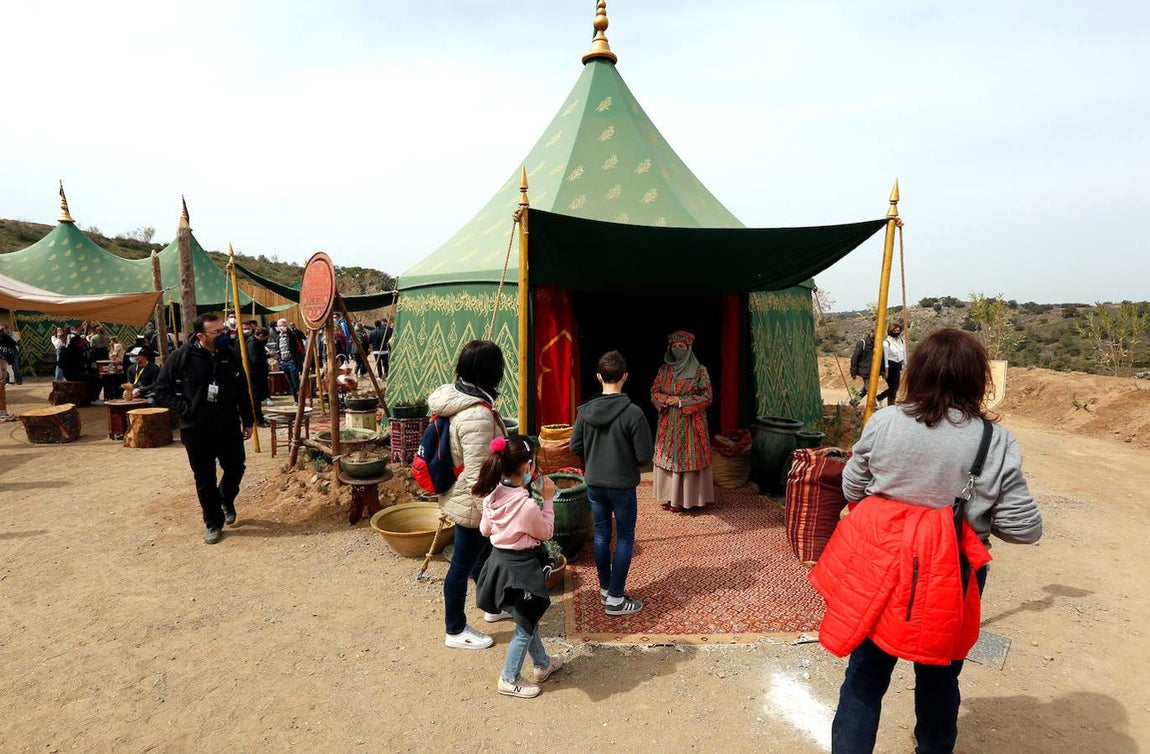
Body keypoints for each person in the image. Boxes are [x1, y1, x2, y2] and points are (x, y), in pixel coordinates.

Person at [811, 328, 1043, 754]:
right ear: (977, 380)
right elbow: (1024, 529)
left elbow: (852, 485)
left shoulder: (884, 422)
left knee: (865, 675)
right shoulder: (996, 442)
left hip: (881, 565)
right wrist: (975, 514)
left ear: (916, 373)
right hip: (952, 574)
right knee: (939, 676)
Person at [426, 339, 509, 650]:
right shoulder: (476, 415)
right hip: (473, 502)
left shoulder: (458, 395)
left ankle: (491, 606)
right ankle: (455, 629)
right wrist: (493, 513)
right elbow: (478, 474)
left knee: (479, 558)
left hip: (464, 495)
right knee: (462, 565)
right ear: (491, 371)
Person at [473, 435, 565, 698]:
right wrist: (548, 499)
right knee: (524, 627)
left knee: (528, 616)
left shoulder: (492, 495)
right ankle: (509, 677)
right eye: (533, 462)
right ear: (526, 467)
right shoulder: (526, 506)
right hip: (521, 570)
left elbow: (485, 530)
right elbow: (546, 532)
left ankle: (542, 664)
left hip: (499, 564)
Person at [154, 313, 255, 545]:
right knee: (204, 477)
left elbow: (241, 388)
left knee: (236, 467)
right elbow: (161, 390)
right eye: (216, 332)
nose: (223, 335)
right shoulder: (182, 356)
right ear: (201, 336)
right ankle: (213, 523)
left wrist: (248, 420)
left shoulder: (229, 354)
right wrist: (186, 409)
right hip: (196, 428)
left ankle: (225, 498)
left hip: (228, 424)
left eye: (223, 330)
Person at [569, 350, 654, 616]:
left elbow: (575, 447)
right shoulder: (634, 414)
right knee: (625, 537)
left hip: (595, 482)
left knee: (602, 536)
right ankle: (616, 598)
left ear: (598, 377)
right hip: (622, 484)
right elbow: (644, 455)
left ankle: (606, 589)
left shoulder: (584, 412)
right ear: (625, 377)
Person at [650, 330, 714, 512]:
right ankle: (672, 498)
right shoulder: (664, 370)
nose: (677, 349)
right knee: (669, 459)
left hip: (691, 423)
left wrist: (680, 401)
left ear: (689, 348)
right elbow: (654, 391)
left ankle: (688, 499)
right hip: (668, 423)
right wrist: (664, 399)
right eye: (674, 346)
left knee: (689, 458)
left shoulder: (700, 370)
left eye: (682, 346)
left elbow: (707, 396)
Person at [874, 322, 906, 407]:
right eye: (895, 331)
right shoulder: (886, 342)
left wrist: (905, 365)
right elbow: (885, 357)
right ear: (890, 331)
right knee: (893, 387)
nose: (896, 332)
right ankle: (878, 398)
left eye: (898, 331)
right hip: (890, 366)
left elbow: (904, 354)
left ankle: (891, 404)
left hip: (898, 365)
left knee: (896, 386)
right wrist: (886, 370)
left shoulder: (902, 341)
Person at [245, 325, 271, 427]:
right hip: (255, 374)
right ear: (260, 336)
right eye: (265, 338)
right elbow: (255, 359)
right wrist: (267, 355)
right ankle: (258, 418)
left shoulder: (257, 343)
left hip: (259, 374)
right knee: (256, 398)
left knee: (259, 397)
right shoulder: (252, 343)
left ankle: (259, 415)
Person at [273, 318, 305, 398]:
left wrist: (287, 330)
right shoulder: (278, 337)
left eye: (283, 325)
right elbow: (277, 349)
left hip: (292, 362)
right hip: (284, 362)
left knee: (295, 381)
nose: (281, 327)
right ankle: (295, 398)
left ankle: (299, 398)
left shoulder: (291, 336)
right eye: (280, 326)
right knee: (290, 382)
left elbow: (293, 336)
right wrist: (279, 360)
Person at [848, 328, 877, 407]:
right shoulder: (863, 343)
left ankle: (854, 402)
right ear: (872, 332)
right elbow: (855, 357)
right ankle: (875, 406)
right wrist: (853, 372)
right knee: (870, 389)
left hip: (873, 371)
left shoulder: (877, 343)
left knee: (865, 389)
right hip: (865, 370)